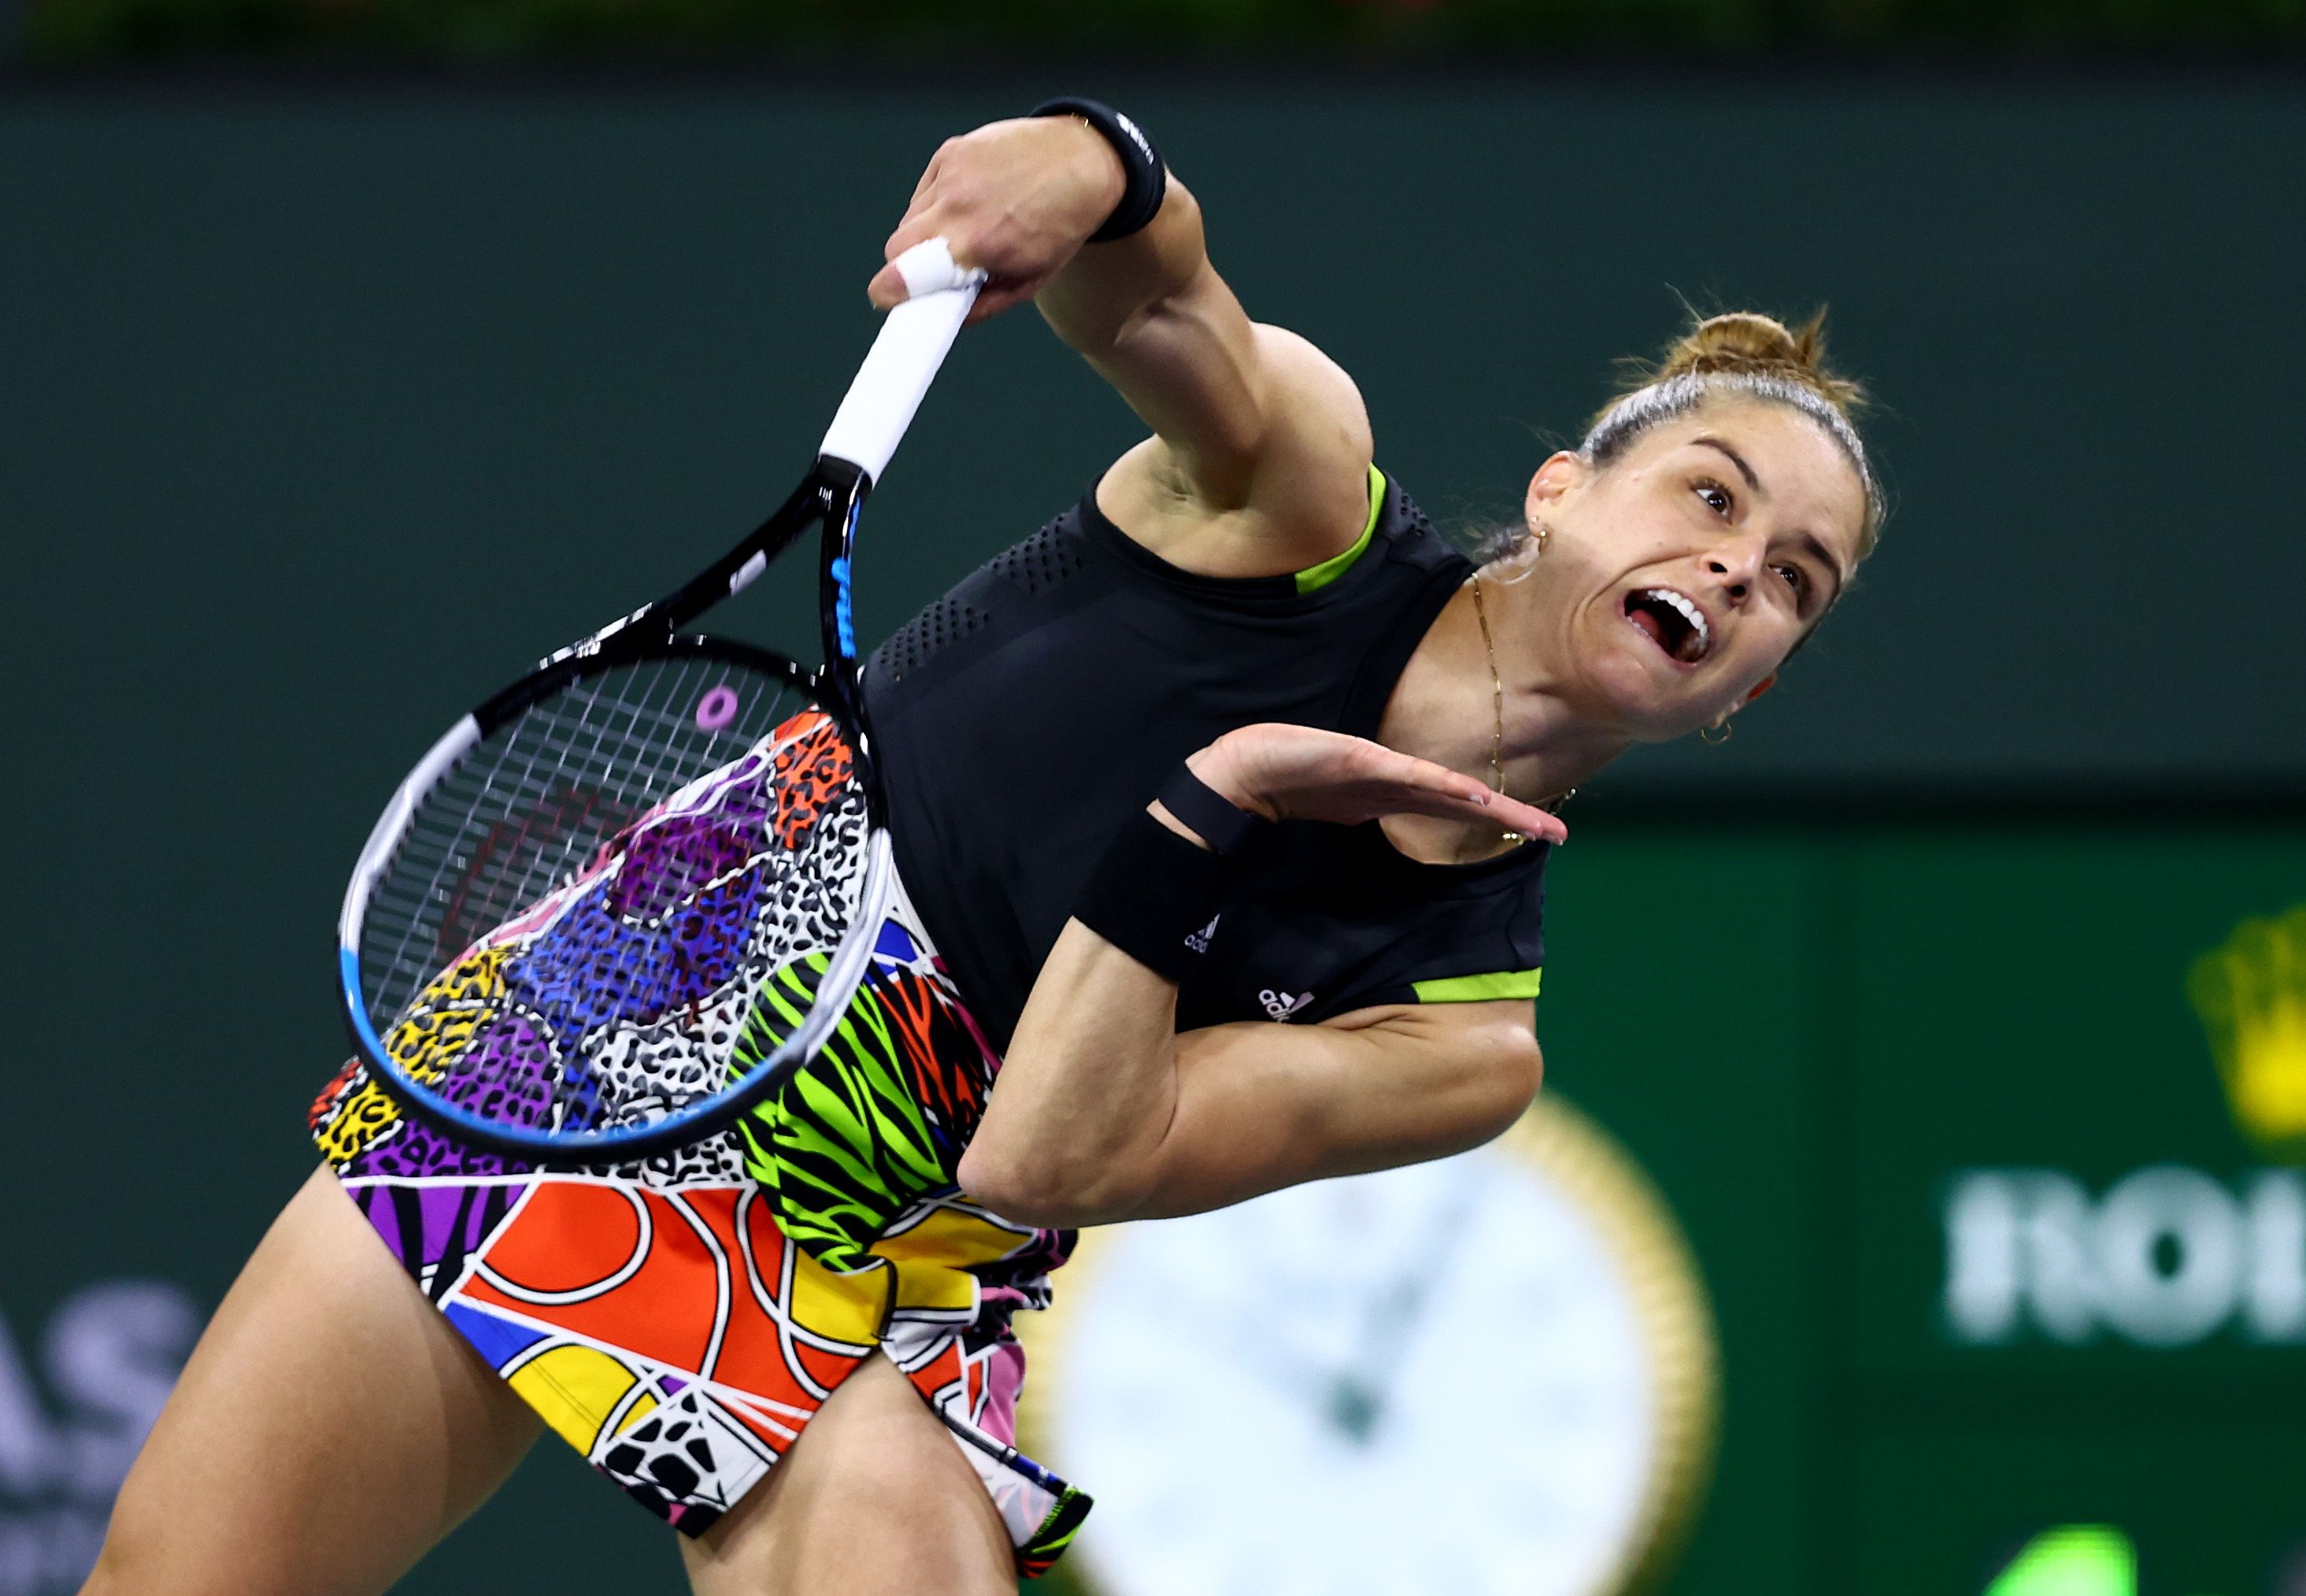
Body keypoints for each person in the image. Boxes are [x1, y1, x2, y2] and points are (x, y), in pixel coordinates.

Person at [84, 101, 1881, 1596]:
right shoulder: (1302, 504)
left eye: (1793, 578)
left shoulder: (1460, 1036)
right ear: (1566, 488)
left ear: (1750, 683)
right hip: (613, 1053)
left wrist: (1206, 817)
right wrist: (1099, 163)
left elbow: (1049, 1150)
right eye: (1709, 494)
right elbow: (1152, 293)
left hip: (890, 1249)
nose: (1739, 565)